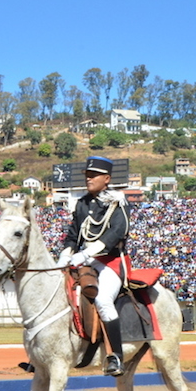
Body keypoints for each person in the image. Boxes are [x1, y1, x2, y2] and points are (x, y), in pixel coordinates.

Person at [56, 156, 131, 376]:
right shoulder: (82, 204)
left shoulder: (117, 202)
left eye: (94, 175)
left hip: (110, 261)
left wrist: (86, 253)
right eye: (87, 175)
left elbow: (117, 232)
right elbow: (73, 235)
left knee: (103, 299)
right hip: (85, 261)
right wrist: (65, 255)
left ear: (106, 179)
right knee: (59, 292)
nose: (89, 179)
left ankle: (116, 356)